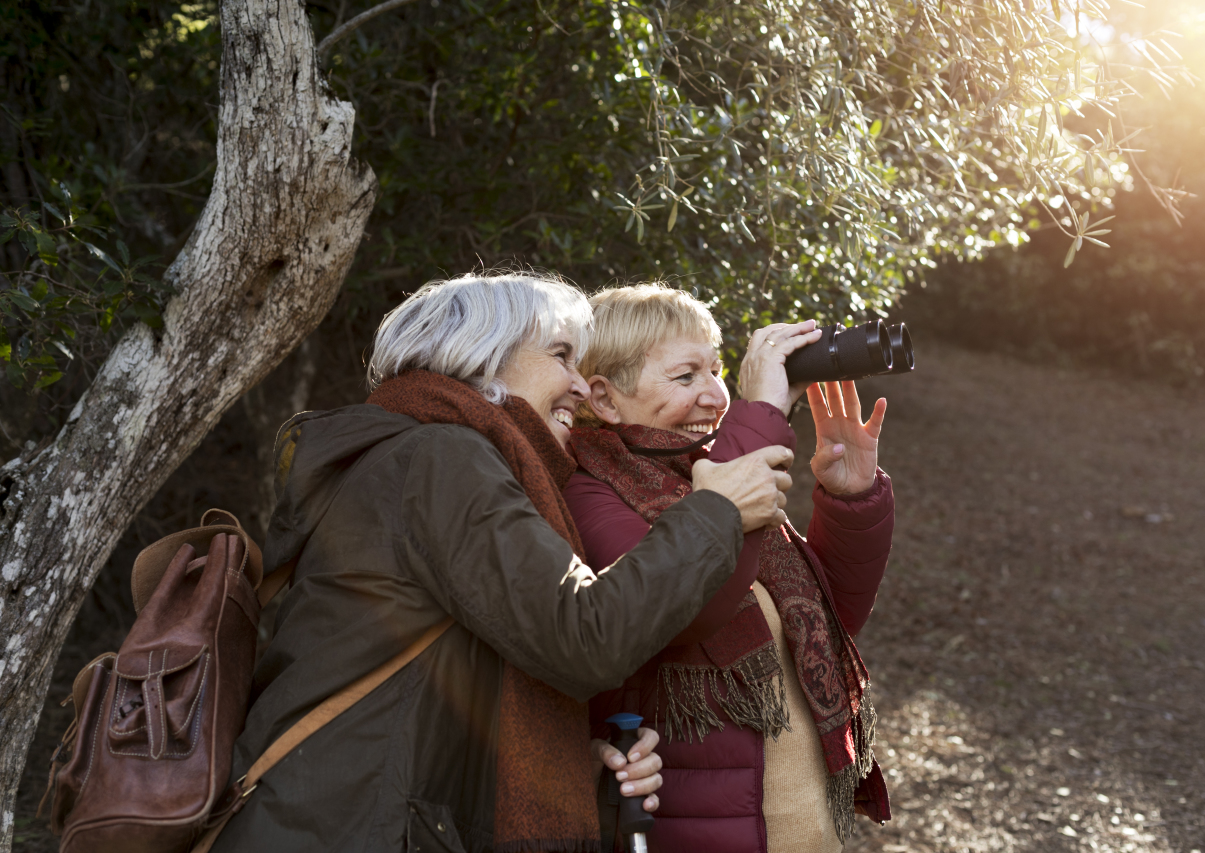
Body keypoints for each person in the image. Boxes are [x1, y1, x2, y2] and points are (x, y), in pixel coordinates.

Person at [213, 272, 794, 853]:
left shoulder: (414, 454)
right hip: (342, 830)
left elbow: (447, 690)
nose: (576, 383)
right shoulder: (442, 457)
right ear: (483, 358)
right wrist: (714, 512)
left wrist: (569, 767)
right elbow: (583, 635)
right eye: (561, 355)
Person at [567, 284, 895, 853]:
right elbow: (692, 611)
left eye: (716, 371)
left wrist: (849, 500)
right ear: (604, 398)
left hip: (801, 824)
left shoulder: (707, 473)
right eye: (685, 376)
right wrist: (759, 418)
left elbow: (832, 618)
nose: (717, 396)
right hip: (695, 829)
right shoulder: (590, 492)